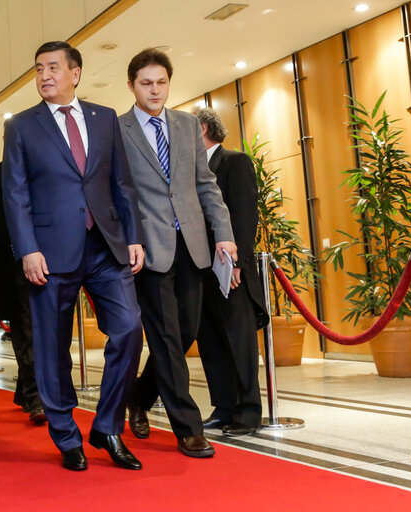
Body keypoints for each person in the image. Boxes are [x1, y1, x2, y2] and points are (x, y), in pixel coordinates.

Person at [3, 41, 145, 472]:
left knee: (128, 329)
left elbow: (122, 183)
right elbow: (15, 192)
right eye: (38, 68)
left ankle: (106, 427)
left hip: (105, 246)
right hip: (49, 252)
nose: (44, 75)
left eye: (53, 67)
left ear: (75, 73)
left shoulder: (105, 119)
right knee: (52, 349)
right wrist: (27, 248)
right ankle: (66, 435)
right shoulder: (22, 126)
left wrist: (133, 236)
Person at [118, 48, 237, 458]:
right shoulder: (118, 131)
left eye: (161, 82)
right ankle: (187, 426)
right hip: (148, 249)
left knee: (184, 332)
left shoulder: (188, 125)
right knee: (166, 337)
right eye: (146, 83)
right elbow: (119, 193)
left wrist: (223, 234)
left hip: (192, 246)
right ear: (132, 85)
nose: (155, 90)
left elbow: (205, 184)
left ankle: (138, 395)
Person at [193, 106, 269, 436]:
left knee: (239, 342)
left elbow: (243, 216)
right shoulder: (191, 169)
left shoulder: (233, 162)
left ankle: (249, 411)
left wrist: (235, 263)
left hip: (229, 269)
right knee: (210, 340)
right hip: (201, 271)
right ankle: (223, 407)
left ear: (203, 129)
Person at [0, 155, 45, 424]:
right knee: (26, 329)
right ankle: (35, 397)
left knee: (43, 331)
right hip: (10, 264)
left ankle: (27, 392)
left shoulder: (43, 170)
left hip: (50, 260)